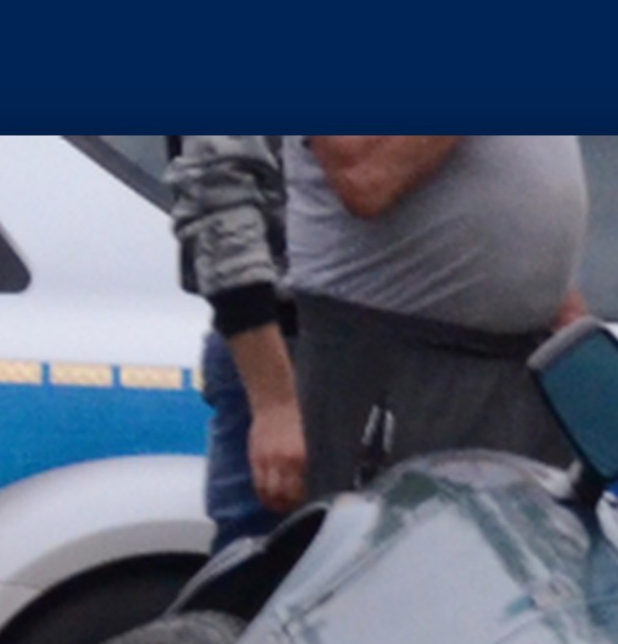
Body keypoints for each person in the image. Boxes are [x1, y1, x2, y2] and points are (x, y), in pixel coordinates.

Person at [277, 135, 592, 494]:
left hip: (523, 365)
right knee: (402, 547)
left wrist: (561, 306)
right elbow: (363, 176)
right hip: (393, 355)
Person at [165, 134, 295, 541]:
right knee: (266, 579)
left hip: (422, 348)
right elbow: (217, 196)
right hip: (285, 340)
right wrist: (275, 403)